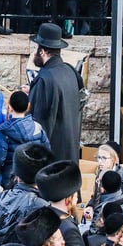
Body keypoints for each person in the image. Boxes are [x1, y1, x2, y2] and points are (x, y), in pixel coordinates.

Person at [27, 23, 81, 163]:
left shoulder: (45, 80)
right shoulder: (70, 71)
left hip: (52, 163)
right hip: (71, 157)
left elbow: (39, 127)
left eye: (36, 48)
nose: (34, 52)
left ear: (42, 52)